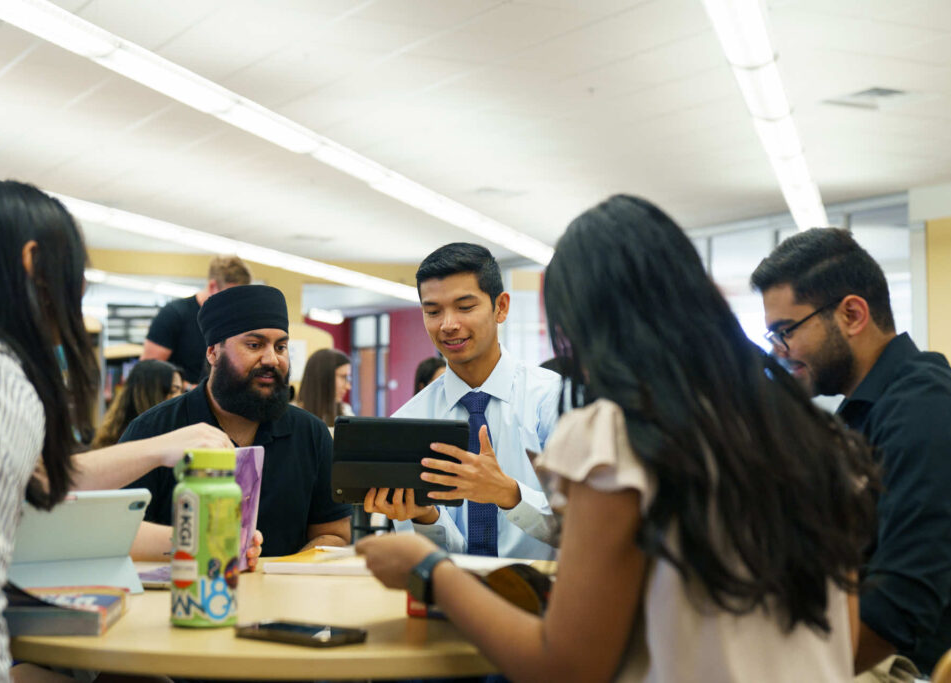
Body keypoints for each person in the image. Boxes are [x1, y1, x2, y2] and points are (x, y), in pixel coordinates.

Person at [357, 195, 879, 682]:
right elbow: (844, 638)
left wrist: (428, 569)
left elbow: (564, 666)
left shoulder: (616, 434)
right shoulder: (816, 432)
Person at [0, 180, 241, 682]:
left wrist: (161, 448)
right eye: (75, 274)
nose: (77, 293)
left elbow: (43, 477)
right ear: (34, 263)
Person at [751, 228, 951, 677]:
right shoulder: (859, 415)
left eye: (784, 332)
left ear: (851, 314)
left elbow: (903, 603)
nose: (778, 352)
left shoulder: (923, 407)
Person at [124, 284, 353, 559]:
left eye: (281, 346)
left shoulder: (311, 435)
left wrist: (279, 572)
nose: (272, 359)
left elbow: (334, 533)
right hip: (185, 595)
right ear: (213, 352)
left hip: (285, 599)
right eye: (254, 345)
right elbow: (116, 535)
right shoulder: (154, 432)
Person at [365, 243, 562, 560]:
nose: (448, 324)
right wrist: (425, 516)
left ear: (501, 307)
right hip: (451, 598)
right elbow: (434, 559)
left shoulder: (552, 400)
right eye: (433, 312)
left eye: (465, 307)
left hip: (542, 599)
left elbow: (580, 529)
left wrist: (507, 493)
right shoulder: (411, 420)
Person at [140, 255, 251, 385]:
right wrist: (190, 390)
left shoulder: (231, 320)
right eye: (230, 296)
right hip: (181, 399)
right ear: (212, 286)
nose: (234, 303)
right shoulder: (174, 314)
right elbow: (148, 372)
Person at [91, 359, 183, 448]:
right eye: (174, 390)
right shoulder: (137, 441)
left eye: (182, 390)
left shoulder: (114, 433)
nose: (181, 396)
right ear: (151, 394)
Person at [295, 347, 353, 429]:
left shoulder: (346, 412)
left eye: (348, 378)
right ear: (324, 378)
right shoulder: (294, 416)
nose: (348, 386)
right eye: (343, 377)